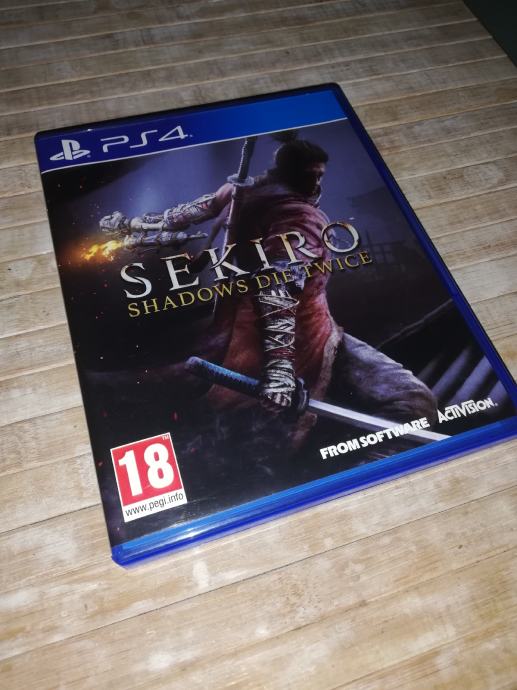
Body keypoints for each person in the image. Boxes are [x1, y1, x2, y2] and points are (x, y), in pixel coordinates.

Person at [100, 139, 436, 458]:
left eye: (320, 176)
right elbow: (278, 287)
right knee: (412, 402)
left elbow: (185, 214)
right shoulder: (298, 217)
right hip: (302, 341)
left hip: (249, 332)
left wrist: (131, 226)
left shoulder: (240, 192)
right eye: (312, 175)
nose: (317, 184)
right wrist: (279, 370)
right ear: (291, 173)